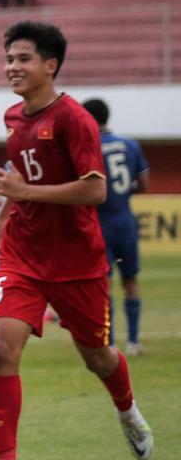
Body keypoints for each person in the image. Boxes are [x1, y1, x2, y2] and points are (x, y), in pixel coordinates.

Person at [0, 21, 152, 460]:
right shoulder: (13, 116)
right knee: (1, 348)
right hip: (23, 254)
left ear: (50, 65)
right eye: (9, 58)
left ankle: (127, 411)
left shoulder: (75, 119)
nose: (13, 67)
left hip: (78, 262)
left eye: (24, 59)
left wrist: (22, 193)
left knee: (98, 357)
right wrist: (2, 216)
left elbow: (94, 189)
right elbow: (21, 175)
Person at [82, 98, 150, 356]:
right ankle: (133, 341)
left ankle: (109, 342)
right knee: (131, 279)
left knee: (104, 284)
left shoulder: (88, 147)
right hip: (125, 221)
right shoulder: (131, 144)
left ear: (87, 119)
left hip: (99, 223)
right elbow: (143, 183)